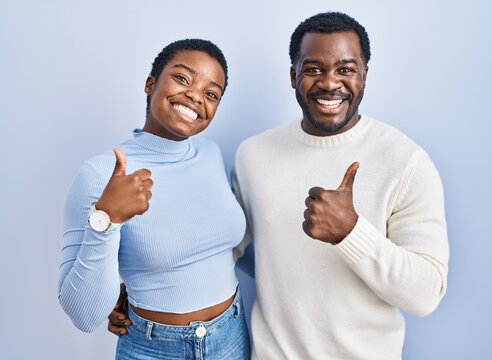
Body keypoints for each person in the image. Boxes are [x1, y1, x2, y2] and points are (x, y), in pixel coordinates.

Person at [109, 12, 449, 359]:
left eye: (346, 69)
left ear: (364, 75)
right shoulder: (254, 155)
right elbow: (225, 245)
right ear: (293, 75)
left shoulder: (405, 162)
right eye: (314, 68)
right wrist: (142, 296)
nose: (330, 83)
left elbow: (426, 295)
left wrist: (351, 232)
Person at [58, 39, 250, 359]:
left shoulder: (211, 153)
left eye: (211, 93)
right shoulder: (98, 174)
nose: (194, 95)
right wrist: (107, 218)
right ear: (151, 83)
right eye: (182, 78)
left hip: (231, 335)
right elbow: (84, 315)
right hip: (155, 348)